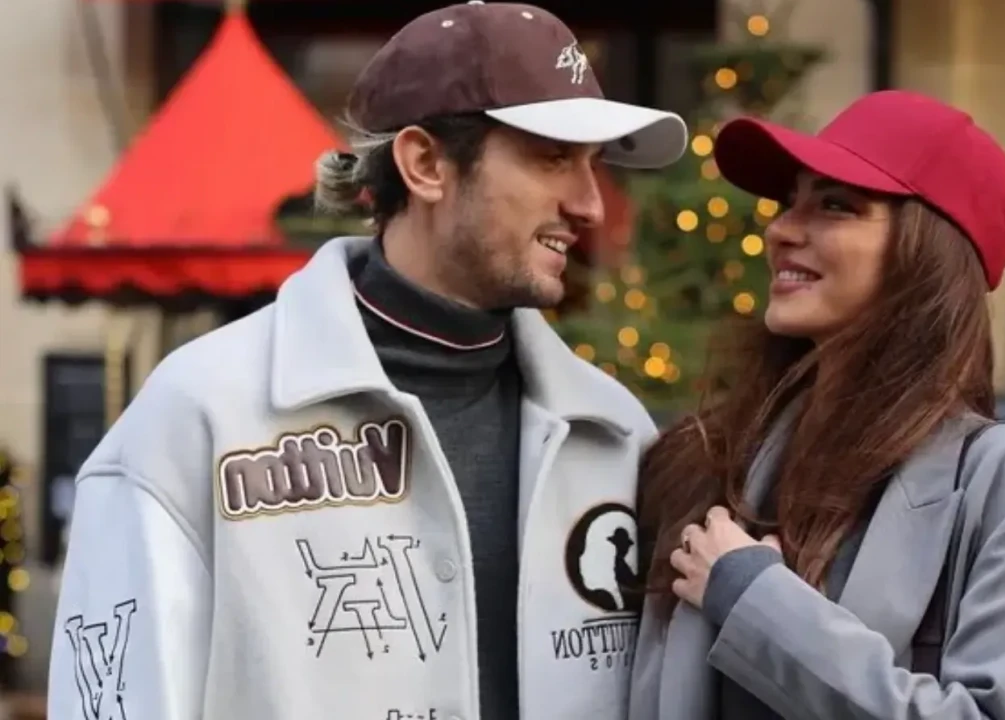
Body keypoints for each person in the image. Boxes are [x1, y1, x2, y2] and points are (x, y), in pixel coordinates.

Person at [48, 3, 687, 719]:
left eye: (593, 164)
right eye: (553, 158)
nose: (591, 205)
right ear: (425, 165)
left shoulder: (617, 431)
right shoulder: (199, 413)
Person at [628, 90, 1005, 719]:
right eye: (787, 202)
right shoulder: (705, 460)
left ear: (928, 252)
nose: (780, 229)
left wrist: (755, 598)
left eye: (835, 205)